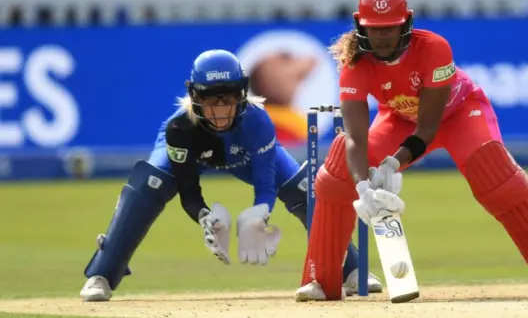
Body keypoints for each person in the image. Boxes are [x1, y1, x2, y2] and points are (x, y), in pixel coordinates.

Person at [295, 0, 528, 302]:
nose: (382, 36)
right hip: (398, 120)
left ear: (405, 23)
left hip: (461, 114)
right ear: (359, 25)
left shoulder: (434, 47)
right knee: (338, 171)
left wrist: (392, 165)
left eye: (390, 28)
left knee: (497, 178)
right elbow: (355, 137)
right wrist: (364, 186)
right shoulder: (355, 64)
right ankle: (321, 280)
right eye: (374, 29)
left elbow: (427, 130)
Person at [79, 49, 382, 302]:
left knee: (305, 190)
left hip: (244, 156)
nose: (221, 109)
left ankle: (350, 268)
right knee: (148, 184)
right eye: (211, 99)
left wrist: (258, 216)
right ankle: (101, 275)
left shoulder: (257, 121)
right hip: (195, 157)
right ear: (194, 95)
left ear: (243, 94)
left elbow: (266, 182)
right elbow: (188, 189)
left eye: (228, 98)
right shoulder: (180, 129)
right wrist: (204, 217)